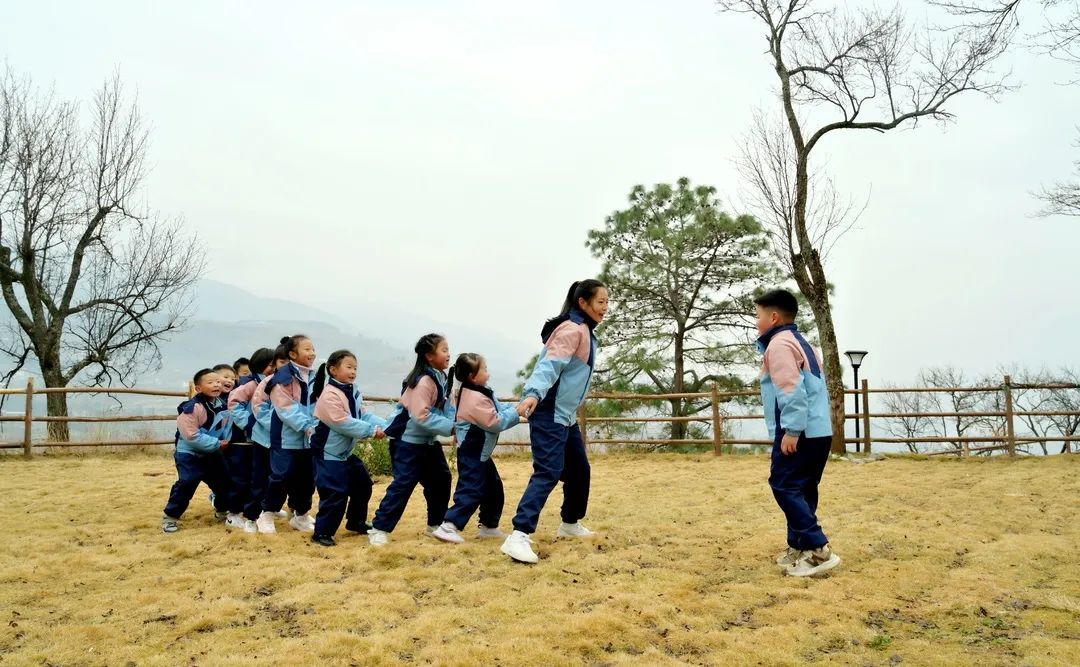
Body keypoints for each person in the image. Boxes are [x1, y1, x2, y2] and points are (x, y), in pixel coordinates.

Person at [502, 280, 607, 564]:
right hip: (549, 411)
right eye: (600, 302)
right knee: (548, 471)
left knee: (579, 470)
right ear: (583, 302)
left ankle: (570, 523)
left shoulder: (585, 330)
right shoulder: (572, 329)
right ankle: (518, 535)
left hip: (565, 416)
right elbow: (549, 365)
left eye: (607, 302)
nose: (605, 308)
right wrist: (533, 393)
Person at [754, 289, 840, 577]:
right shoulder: (802, 342)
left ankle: (817, 549)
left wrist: (791, 430)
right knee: (803, 488)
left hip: (798, 430)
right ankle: (800, 546)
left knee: (784, 484)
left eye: (758, 315)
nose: (756, 322)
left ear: (773, 317)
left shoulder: (779, 345)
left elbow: (791, 390)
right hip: (819, 430)